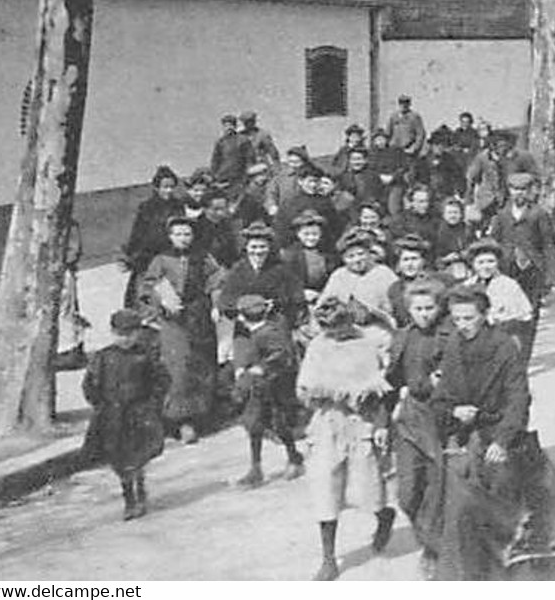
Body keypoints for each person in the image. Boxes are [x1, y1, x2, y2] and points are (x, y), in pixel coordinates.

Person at [433, 286, 555, 580]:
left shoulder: (504, 346)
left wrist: (502, 439)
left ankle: (517, 556)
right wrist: (454, 411)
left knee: (513, 486)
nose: (463, 325)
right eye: (457, 319)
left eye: (469, 318)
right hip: (464, 434)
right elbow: (441, 397)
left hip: (499, 431)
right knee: (453, 497)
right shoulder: (453, 348)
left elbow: (518, 398)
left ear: (485, 316)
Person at [298, 295, 395, 581]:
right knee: (325, 487)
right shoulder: (318, 346)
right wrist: (337, 392)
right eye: (330, 329)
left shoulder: (368, 342)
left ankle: (382, 515)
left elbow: (382, 386)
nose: (337, 334)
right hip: (328, 421)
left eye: (342, 327)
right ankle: (328, 557)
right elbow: (306, 388)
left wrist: (379, 421)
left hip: (361, 422)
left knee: (368, 485)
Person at [138, 216, 223, 443]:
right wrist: (162, 300)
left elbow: (216, 281)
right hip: (173, 320)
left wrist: (216, 305)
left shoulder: (204, 257)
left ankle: (202, 414)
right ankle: (181, 420)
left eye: (187, 234)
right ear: (170, 236)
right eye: (178, 234)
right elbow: (148, 286)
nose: (183, 239)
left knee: (202, 363)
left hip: (199, 316)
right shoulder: (161, 259)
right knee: (178, 367)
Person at [387, 279, 449, 580]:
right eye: (418, 309)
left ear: (439, 308)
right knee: (407, 493)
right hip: (409, 417)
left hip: (439, 418)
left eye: (429, 308)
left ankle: (434, 550)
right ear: (408, 310)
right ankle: (428, 539)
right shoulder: (402, 337)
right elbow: (391, 378)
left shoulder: (448, 336)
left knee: (438, 488)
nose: (424, 314)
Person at [82, 309, 169, 520]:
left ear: (138, 333)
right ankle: (129, 496)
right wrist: (99, 403)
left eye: (130, 334)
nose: (125, 339)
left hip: (139, 413)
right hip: (112, 416)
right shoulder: (103, 357)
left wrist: (153, 404)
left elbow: (162, 380)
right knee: (118, 458)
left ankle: (137, 492)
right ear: (113, 333)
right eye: (121, 334)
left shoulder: (145, 355)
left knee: (136, 455)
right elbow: (89, 384)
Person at [229, 293, 305, 487]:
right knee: (254, 425)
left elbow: (282, 355)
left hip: (275, 385)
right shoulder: (254, 333)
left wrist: (261, 367)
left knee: (279, 424)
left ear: (243, 316)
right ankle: (256, 468)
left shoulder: (268, 332)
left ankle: (294, 457)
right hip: (258, 387)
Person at [121, 166, 182, 309]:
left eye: (172, 187)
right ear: (156, 187)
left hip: (169, 255)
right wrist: (131, 255)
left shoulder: (178, 206)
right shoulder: (147, 207)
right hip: (147, 257)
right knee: (141, 294)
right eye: (165, 187)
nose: (169, 191)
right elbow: (138, 232)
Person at [389, 94, 429, 159]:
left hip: (408, 149)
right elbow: (388, 132)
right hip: (395, 149)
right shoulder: (394, 116)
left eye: (406, 103)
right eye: (401, 103)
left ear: (409, 104)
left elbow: (420, 134)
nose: (404, 105)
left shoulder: (415, 116)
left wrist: (415, 147)